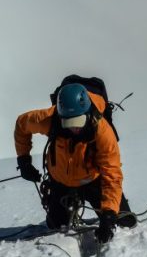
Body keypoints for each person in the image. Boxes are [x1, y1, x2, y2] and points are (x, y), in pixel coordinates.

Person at [14, 82, 135, 243]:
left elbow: (112, 174)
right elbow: (22, 124)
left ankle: (107, 212)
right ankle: (68, 206)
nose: (74, 129)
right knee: (56, 226)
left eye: (78, 122)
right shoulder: (51, 119)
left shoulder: (103, 132)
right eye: (69, 123)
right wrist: (24, 161)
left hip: (93, 180)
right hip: (61, 182)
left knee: (125, 221)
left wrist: (109, 214)